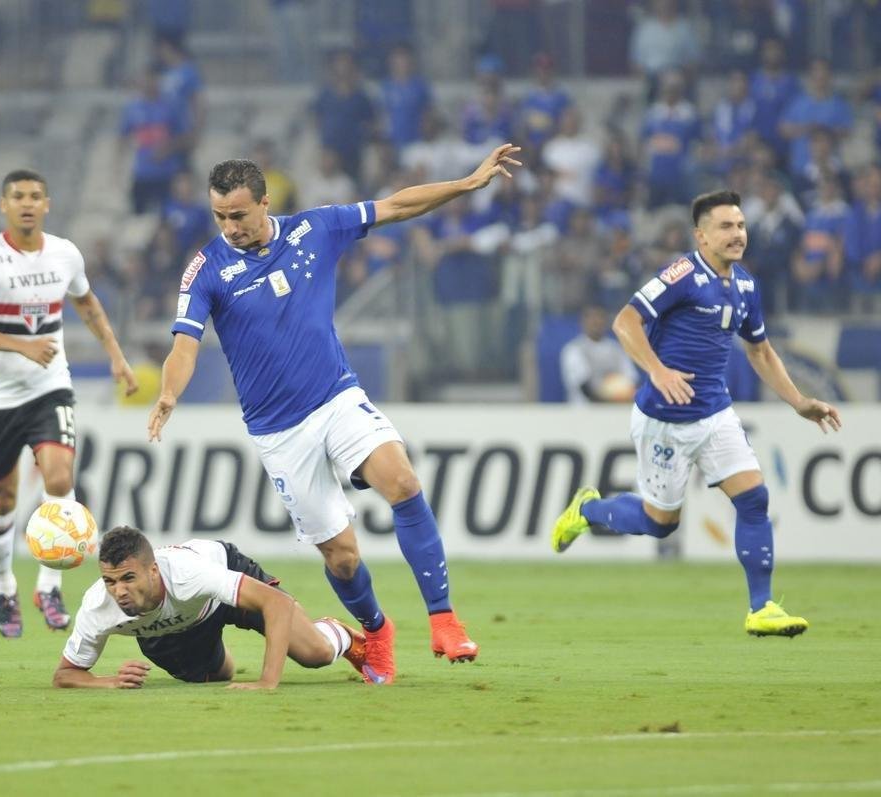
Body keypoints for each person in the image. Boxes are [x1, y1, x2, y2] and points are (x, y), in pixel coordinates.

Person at [149, 142, 523, 684]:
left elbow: (395, 207)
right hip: (279, 433)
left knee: (402, 481)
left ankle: (444, 619)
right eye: (219, 217)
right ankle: (376, 630)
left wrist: (464, 185)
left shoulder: (314, 229)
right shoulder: (206, 269)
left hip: (336, 398)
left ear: (264, 202)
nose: (229, 226)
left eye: (238, 215)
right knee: (342, 558)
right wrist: (168, 394)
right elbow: (184, 344)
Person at [550, 190, 842, 637]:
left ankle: (761, 607)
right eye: (725, 226)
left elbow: (760, 351)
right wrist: (657, 369)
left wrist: (799, 401)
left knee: (754, 499)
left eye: (741, 225)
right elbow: (625, 322)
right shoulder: (681, 274)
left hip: (715, 414)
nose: (737, 234)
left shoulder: (745, 285)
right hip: (664, 419)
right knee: (659, 523)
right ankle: (588, 510)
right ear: (700, 236)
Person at [0, 169, 139, 639]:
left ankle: (49, 585)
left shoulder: (64, 254)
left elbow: (88, 303)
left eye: (35, 196)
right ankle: (3, 588)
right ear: (4, 205)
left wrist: (116, 356)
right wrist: (22, 346)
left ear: (47, 204)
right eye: (18, 196)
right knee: (3, 498)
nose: (27, 204)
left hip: (49, 388)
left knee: (60, 478)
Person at [53, 526, 366, 690]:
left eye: (128, 578)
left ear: (153, 571)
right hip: (175, 626)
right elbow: (65, 674)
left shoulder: (188, 573)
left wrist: (267, 682)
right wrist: (108, 682)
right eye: (110, 581)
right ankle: (215, 648)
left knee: (316, 654)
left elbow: (277, 604)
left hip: (222, 583)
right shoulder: (98, 606)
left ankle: (340, 633)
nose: (118, 591)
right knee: (218, 675)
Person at [560, 305, 638, 403]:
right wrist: (608, 399)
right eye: (592, 319)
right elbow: (584, 387)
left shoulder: (616, 348)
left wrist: (623, 395)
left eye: (600, 318)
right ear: (583, 322)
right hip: (584, 410)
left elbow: (631, 379)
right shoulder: (573, 349)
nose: (596, 322)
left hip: (616, 409)